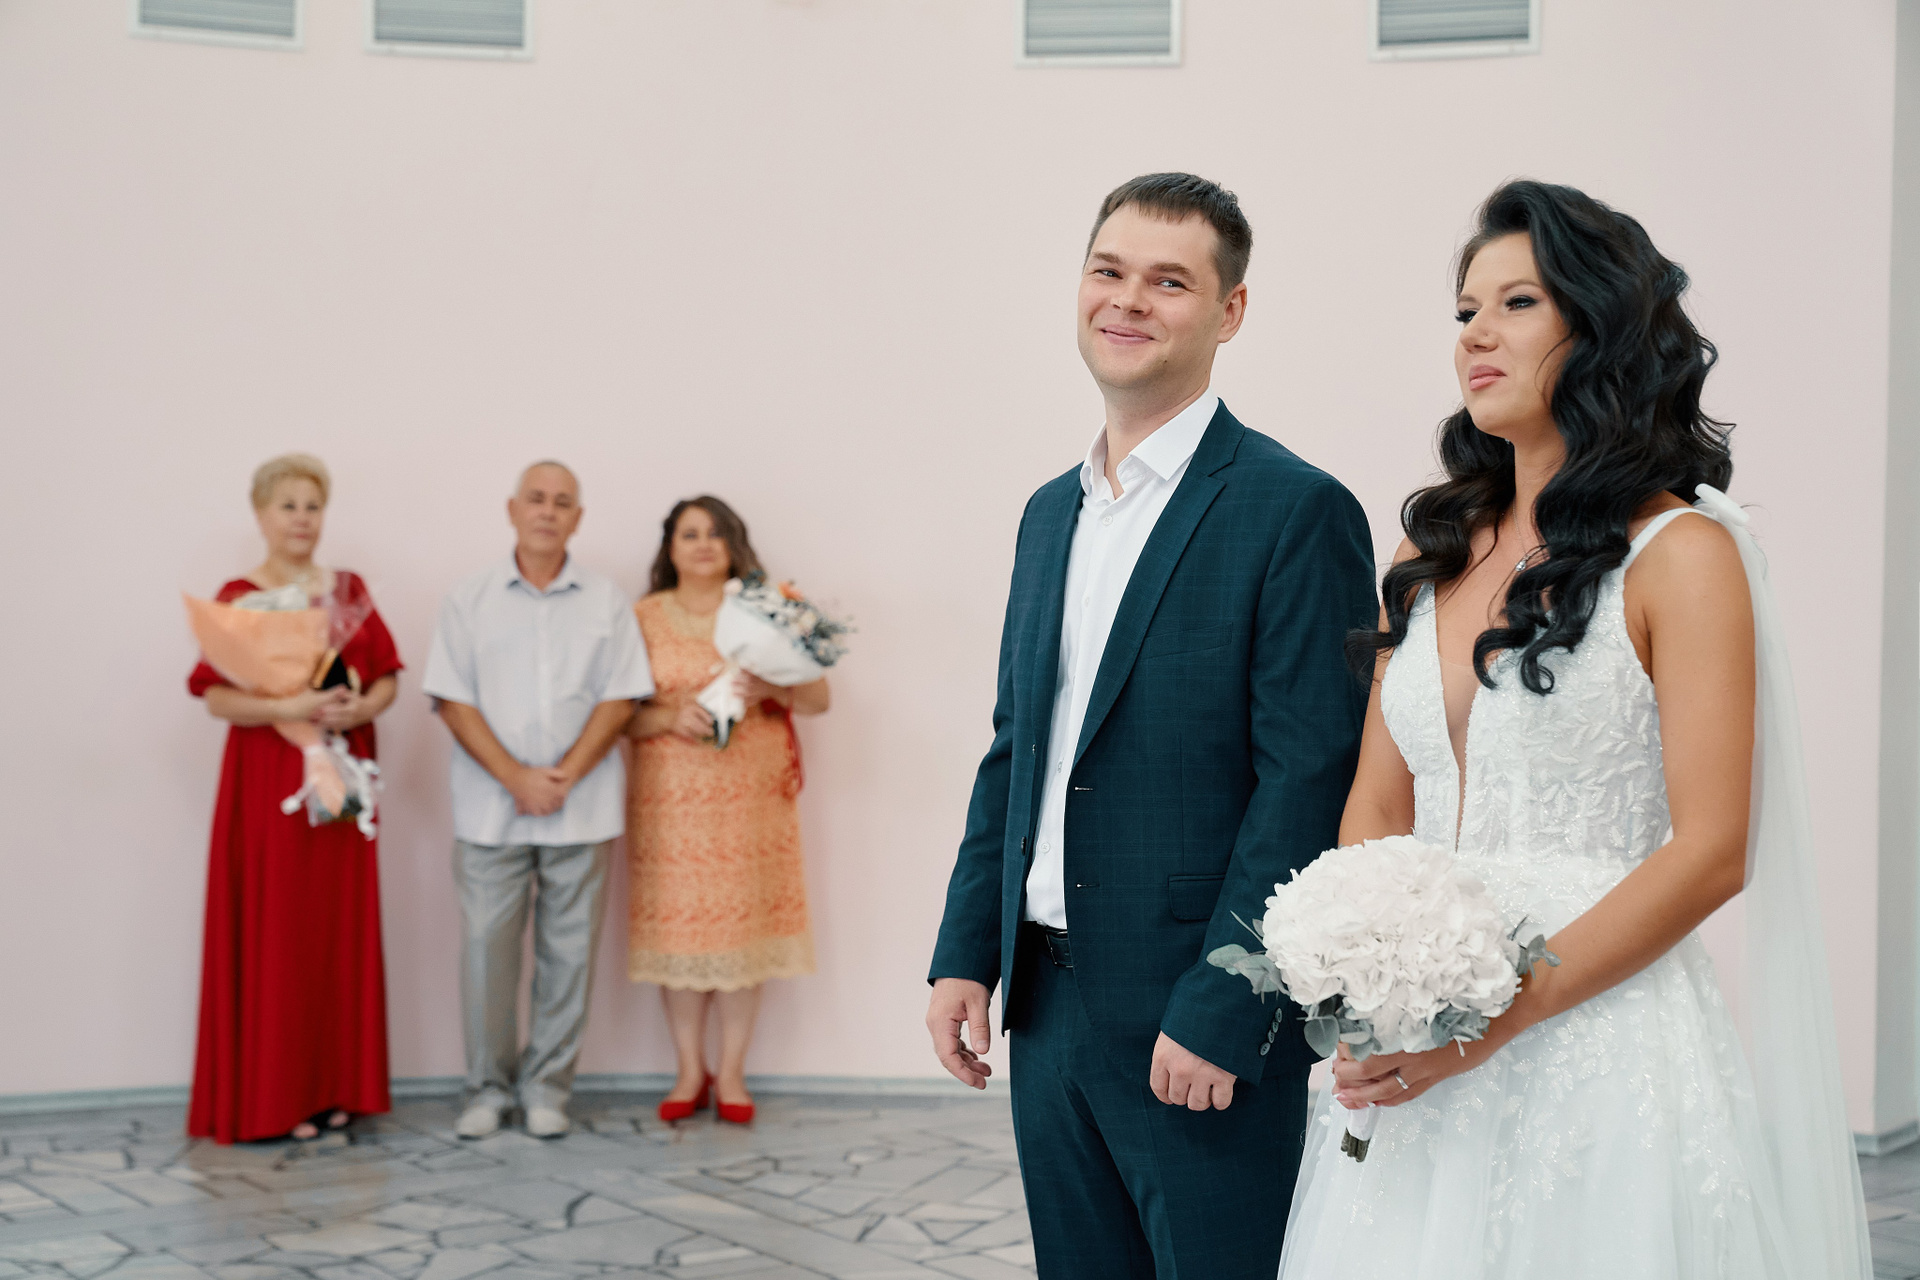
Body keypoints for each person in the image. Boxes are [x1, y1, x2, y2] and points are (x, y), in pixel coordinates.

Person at [1278, 181, 1872, 1278]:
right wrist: (1370, 982)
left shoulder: (1682, 556)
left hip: (1600, 1043)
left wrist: (1493, 1021)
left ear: (1599, 330)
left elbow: (1712, 850)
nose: (1476, 334)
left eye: (1517, 304)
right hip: (1421, 1045)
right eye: (1466, 310)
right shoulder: (1430, 556)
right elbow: (1379, 803)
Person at [925, 173, 1377, 1279]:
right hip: (1045, 1008)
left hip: (1194, 1016)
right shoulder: (1049, 513)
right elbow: (1015, 749)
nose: (1128, 300)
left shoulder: (1295, 508)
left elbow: (1308, 780)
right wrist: (965, 951)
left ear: (1230, 311)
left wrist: (1228, 998)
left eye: (1170, 281)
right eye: (1109, 270)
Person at [422, 460, 653, 1141]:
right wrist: (516, 777)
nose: (548, 510)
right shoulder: (469, 598)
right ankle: (486, 1090)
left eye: (562, 501)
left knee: (570, 957)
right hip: (490, 810)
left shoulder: (606, 601)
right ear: (512, 509)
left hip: (583, 807)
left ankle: (547, 1089)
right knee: (485, 953)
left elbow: (621, 697)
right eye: (536, 498)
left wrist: (565, 774)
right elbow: (452, 699)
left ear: (578, 517)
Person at [187, 453, 402, 1144]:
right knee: (279, 930)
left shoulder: (348, 591)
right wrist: (290, 706)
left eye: (313, 506)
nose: (302, 519)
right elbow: (217, 697)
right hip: (271, 783)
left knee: (335, 932)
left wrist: (360, 707)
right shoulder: (238, 596)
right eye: (288, 506)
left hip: (341, 778)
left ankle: (337, 1087)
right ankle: (277, 1097)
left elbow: (388, 676)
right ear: (260, 515)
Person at [626, 496, 828, 1125]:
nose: (703, 544)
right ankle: (689, 1070)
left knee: (742, 936)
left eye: (715, 533)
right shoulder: (642, 616)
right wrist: (668, 716)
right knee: (680, 935)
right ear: (670, 546)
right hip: (670, 802)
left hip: (750, 798)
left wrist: (770, 686)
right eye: (689, 534)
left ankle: (733, 1073)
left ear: (733, 543)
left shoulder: (766, 605)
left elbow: (818, 697)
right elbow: (616, 714)